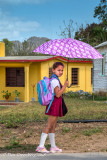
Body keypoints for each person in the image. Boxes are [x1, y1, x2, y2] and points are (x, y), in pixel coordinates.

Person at [36, 62, 69, 153]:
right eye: (58, 70)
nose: (61, 72)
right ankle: (40, 146)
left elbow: (58, 95)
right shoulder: (54, 80)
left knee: (53, 126)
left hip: (57, 104)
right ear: (53, 70)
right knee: (49, 125)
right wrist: (65, 85)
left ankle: (53, 146)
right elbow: (58, 94)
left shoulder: (56, 79)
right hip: (54, 105)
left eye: (62, 70)